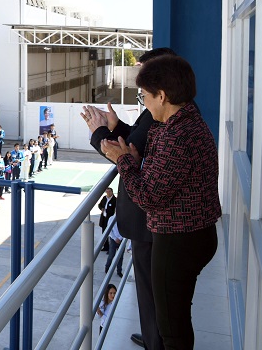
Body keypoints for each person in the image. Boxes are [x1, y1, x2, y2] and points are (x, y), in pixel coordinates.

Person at [99, 54, 220, 349]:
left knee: (172, 329)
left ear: (162, 96)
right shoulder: (187, 121)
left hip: (178, 241)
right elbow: (170, 176)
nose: (144, 103)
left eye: (144, 96)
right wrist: (140, 160)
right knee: (176, 316)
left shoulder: (175, 134)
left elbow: (149, 197)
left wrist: (123, 160)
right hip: (197, 235)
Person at [98, 188, 117, 252]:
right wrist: (102, 208)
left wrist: (107, 210)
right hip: (104, 218)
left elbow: (114, 209)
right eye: (107, 192)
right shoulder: (104, 198)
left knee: (111, 234)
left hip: (110, 218)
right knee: (104, 233)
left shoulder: (115, 200)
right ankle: (106, 246)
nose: (108, 193)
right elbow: (99, 205)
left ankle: (111, 248)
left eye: (109, 192)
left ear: (112, 192)